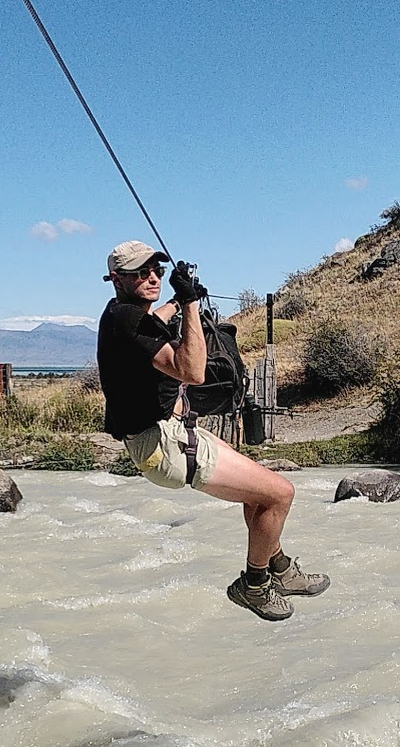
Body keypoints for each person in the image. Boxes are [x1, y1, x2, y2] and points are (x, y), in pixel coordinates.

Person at [97, 240, 330, 621]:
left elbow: (154, 318)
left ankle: (282, 569)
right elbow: (193, 371)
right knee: (281, 495)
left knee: (258, 496)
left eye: (155, 269)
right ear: (117, 280)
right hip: (166, 446)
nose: (152, 276)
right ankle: (254, 585)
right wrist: (190, 304)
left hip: (165, 438)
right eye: (140, 273)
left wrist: (179, 297)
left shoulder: (121, 314)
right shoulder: (128, 319)